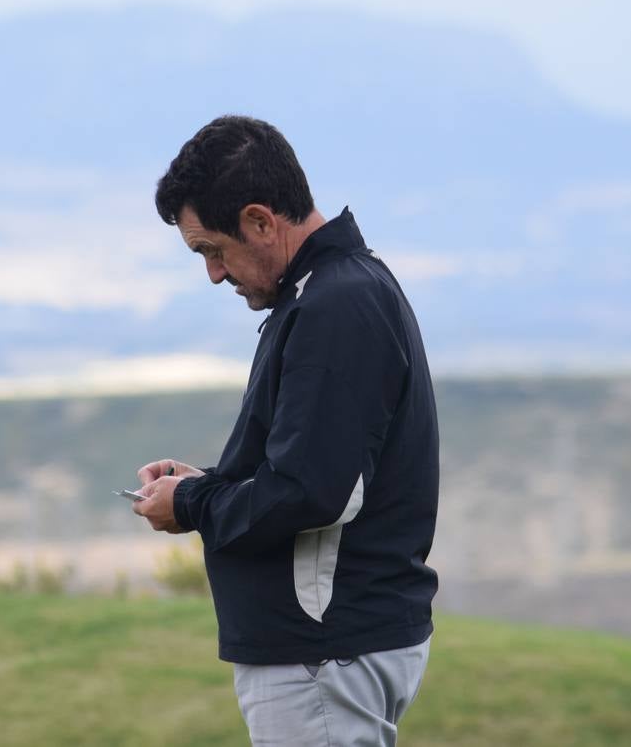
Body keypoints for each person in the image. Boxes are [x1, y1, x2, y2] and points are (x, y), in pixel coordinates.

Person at [133, 115, 440, 746]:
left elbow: (314, 492)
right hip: (329, 650)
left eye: (212, 250)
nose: (215, 274)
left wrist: (191, 503)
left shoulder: (336, 304)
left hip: (321, 654)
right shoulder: (332, 291)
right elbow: (315, 466)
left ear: (260, 221)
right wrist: (215, 483)